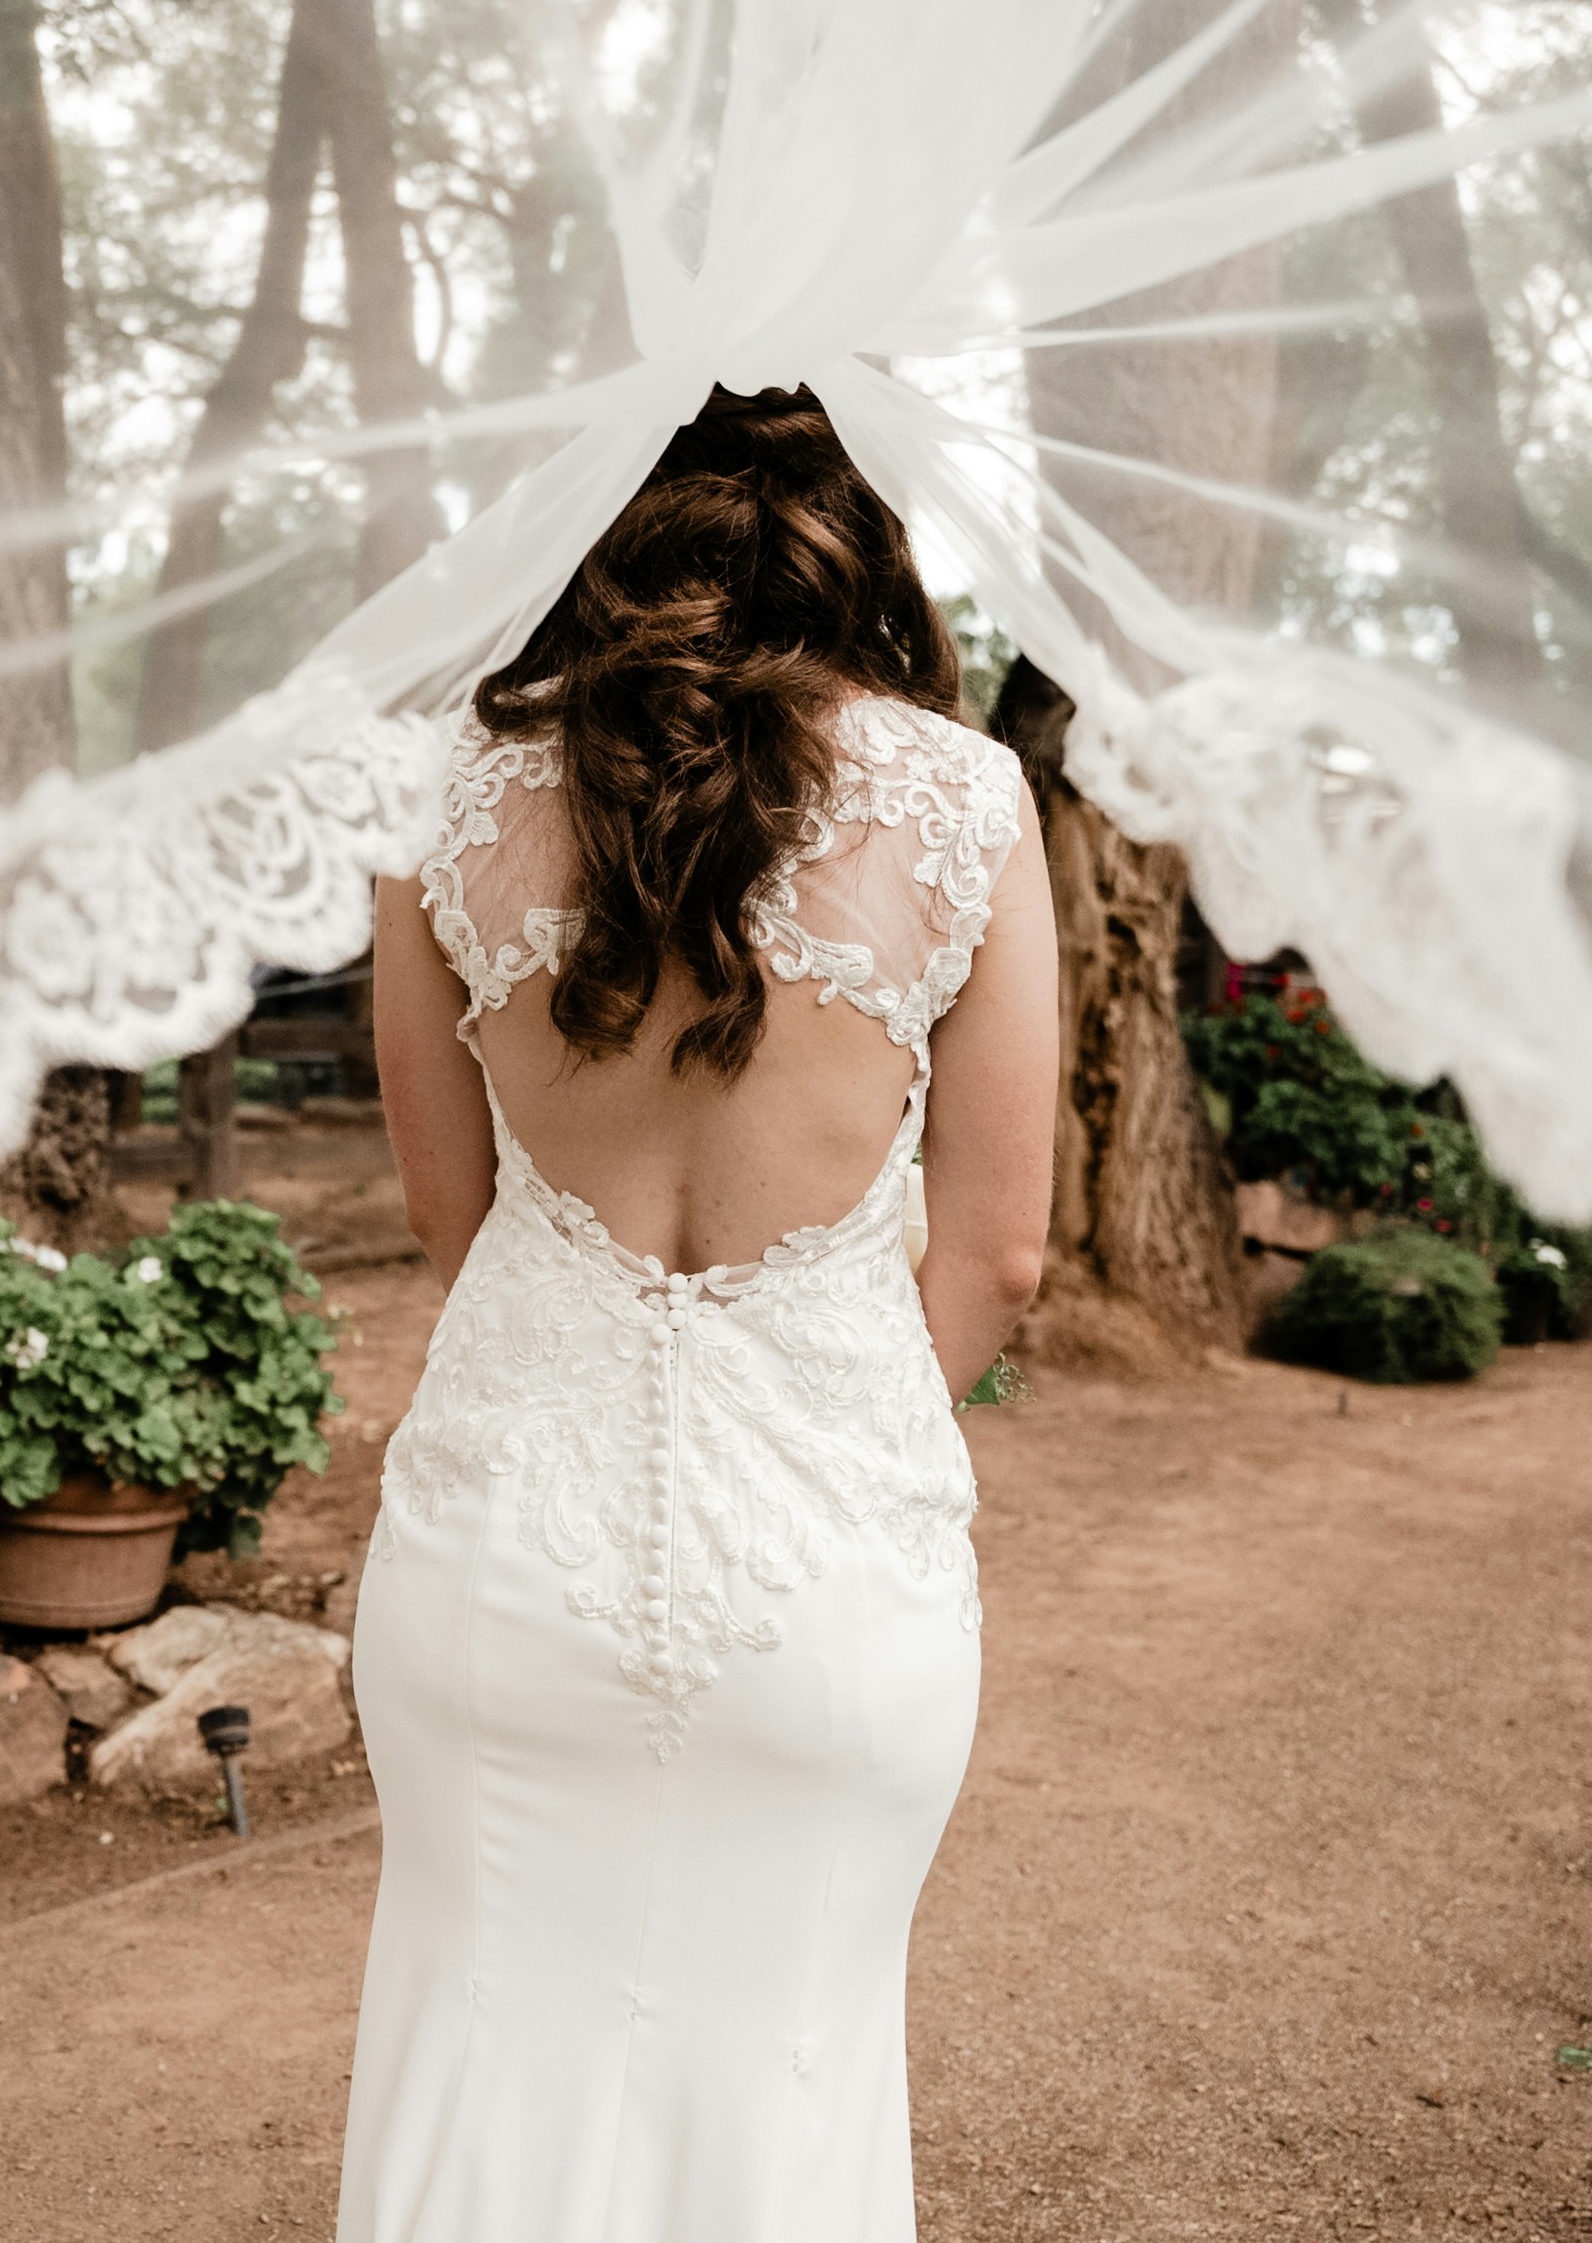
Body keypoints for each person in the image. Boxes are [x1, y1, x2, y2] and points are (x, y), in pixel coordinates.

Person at [339, 383, 1059, 2242]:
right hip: (824, 1572)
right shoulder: (962, 799)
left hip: (508, 1551)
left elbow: (448, 1207)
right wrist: (844, 1422)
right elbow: (999, 1257)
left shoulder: (439, 796)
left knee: (478, 2046)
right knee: (788, 2067)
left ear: (586, 511)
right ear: (852, 517)